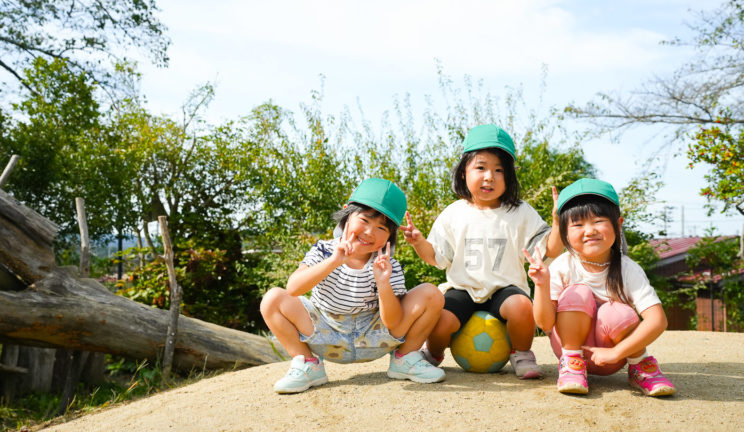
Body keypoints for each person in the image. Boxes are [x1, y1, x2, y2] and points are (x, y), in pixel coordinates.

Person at [403, 124, 563, 379]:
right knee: (441, 320)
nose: (489, 176)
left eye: (499, 170)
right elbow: (435, 258)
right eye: (481, 167)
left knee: (522, 307)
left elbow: (548, 250)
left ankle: (522, 353)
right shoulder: (454, 213)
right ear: (463, 172)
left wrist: (558, 225)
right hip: (463, 288)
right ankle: (432, 354)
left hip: (505, 287)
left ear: (509, 178)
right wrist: (419, 242)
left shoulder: (520, 212)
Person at [260, 178, 446, 394]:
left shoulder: (388, 265)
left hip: (374, 337)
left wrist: (383, 283)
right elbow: (293, 288)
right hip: (325, 332)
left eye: (381, 228)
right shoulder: (323, 250)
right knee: (272, 298)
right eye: (365, 220)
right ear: (347, 212)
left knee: (431, 293)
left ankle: (405, 360)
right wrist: (334, 261)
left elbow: (394, 324)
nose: (370, 232)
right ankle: (309, 364)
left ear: (390, 235)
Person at [525, 178, 677, 396]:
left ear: (618, 223)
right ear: (565, 233)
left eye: (598, 221)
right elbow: (544, 322)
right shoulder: (562, 266)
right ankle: (572, 364)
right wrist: (541, 284)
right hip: (571, 350)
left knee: (615, 311)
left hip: (614, 356)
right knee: (578, 293)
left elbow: (657, 320)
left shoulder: (627, 268)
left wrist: (617, 353)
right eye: (577, 224)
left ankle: (640, 366)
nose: (589, 230)